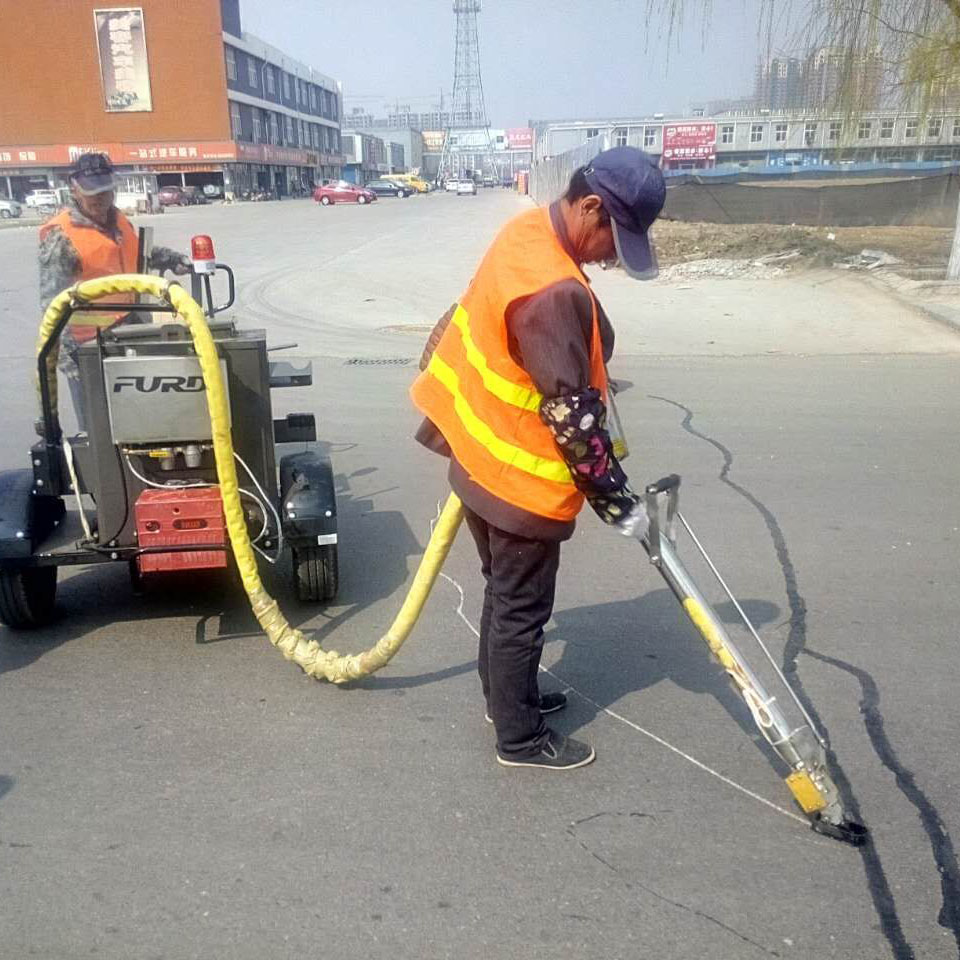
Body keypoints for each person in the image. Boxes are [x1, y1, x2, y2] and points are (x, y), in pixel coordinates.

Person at [411, 146, 667, 771]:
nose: (610, 256)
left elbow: (456, 318)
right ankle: (520, 739)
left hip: (475, 456)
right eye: (613, 238)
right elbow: (573, 420)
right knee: (522, 610)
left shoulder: (525, 232)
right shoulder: (552, 290)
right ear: (588, 207)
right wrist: (619, 503)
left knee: (503, 597)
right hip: (517, 485)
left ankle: (507, 703)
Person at [38, 152, 191, 431]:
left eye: (106, 191)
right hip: (88, 347)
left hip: (132, 331)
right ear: (74, 188)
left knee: (145, 417)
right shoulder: (61, 236)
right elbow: (52, 305)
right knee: (101, 432)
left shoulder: (117, 220)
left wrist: (171, 258)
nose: (101, 199)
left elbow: (135, 255)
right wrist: (69, 362)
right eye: (93, 193)